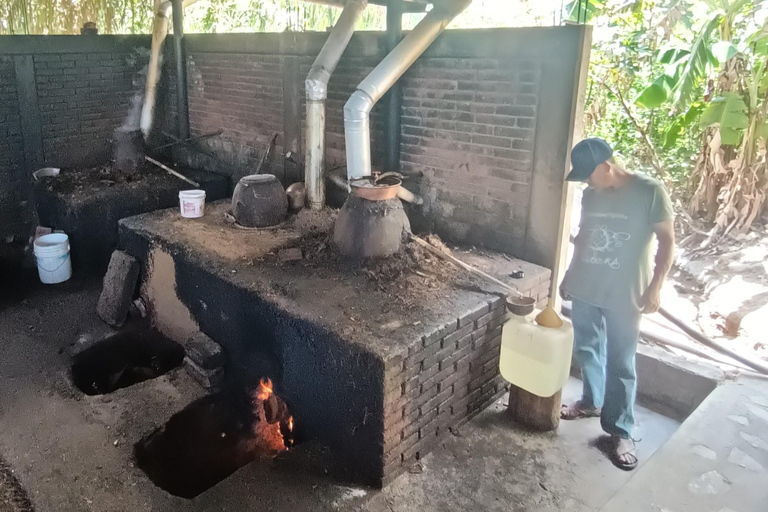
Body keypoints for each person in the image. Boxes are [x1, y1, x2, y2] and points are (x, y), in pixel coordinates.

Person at [559, 138, 674, 471]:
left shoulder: (648, 191)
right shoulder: (591, 195)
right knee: (587, 348)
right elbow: (584, 236)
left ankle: (620, 430)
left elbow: (667, 241)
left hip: (626, 292)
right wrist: (570, 275)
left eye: (587, 174)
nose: (585, 181)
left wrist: (655, 287)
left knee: (622, 361)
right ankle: (591, 401)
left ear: (605, 165)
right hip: (587, 286)